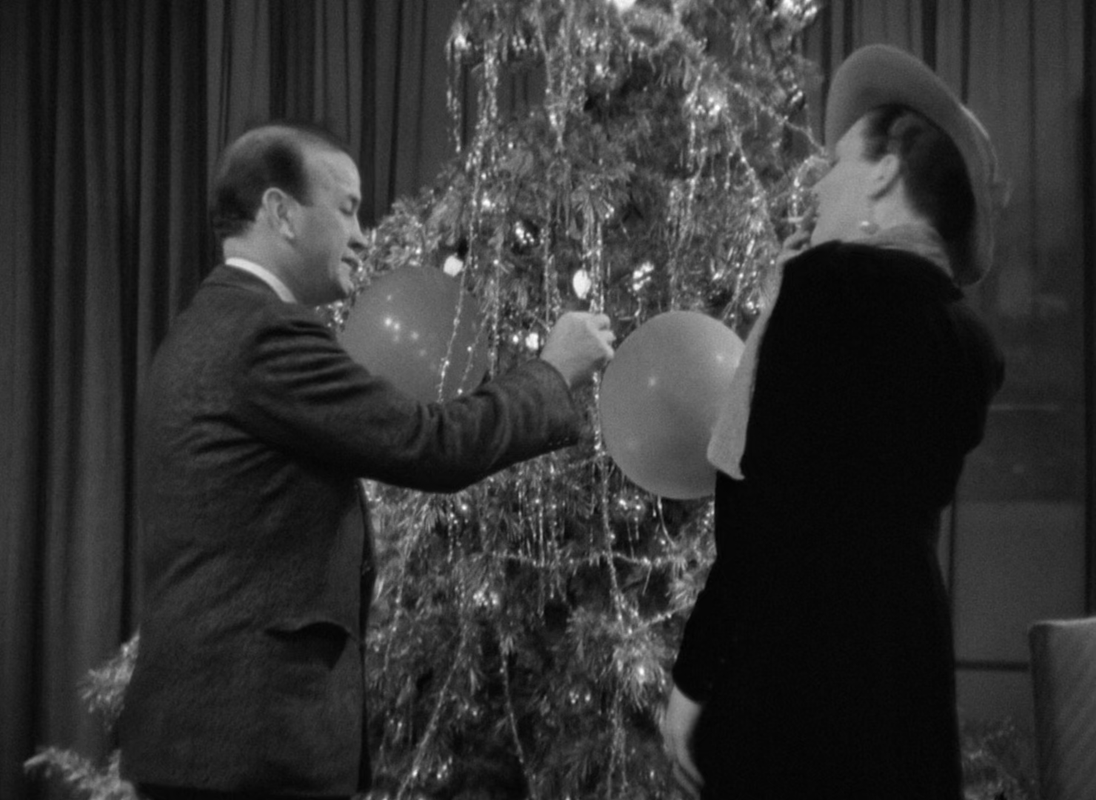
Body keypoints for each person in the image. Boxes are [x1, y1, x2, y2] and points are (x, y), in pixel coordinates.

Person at [117, 122, 615, 800]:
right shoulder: (264, 334)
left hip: (207, 742)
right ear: (280, 212)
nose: (362, 235)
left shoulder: (207, 325)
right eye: (348, 209)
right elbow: (430, 444)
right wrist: (553, 373)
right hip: (249, 749)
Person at [659, 44, 1007, 799]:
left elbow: (760, 518)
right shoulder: (970, 341)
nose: (819, 183)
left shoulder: (822, 293)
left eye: (840, 161)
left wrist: (692, 681)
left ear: (884, 173)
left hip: (799, 673)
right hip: (906, 663)